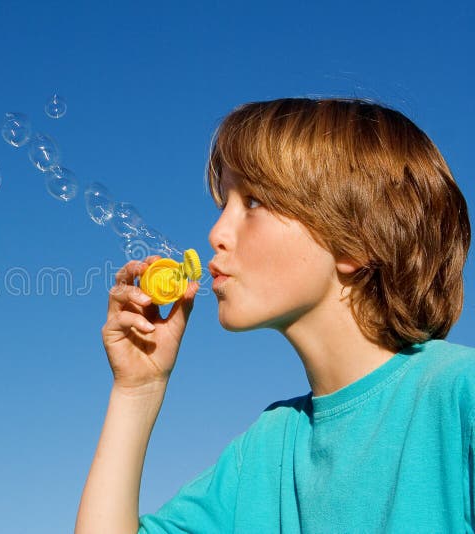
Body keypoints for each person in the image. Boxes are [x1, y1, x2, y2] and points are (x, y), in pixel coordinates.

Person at [74, 97, 474, 533]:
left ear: (356, 241)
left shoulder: (458, 399)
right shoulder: (265, 453)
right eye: (224, 204)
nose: (216, 233)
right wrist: (137, 391)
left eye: (254, 202)